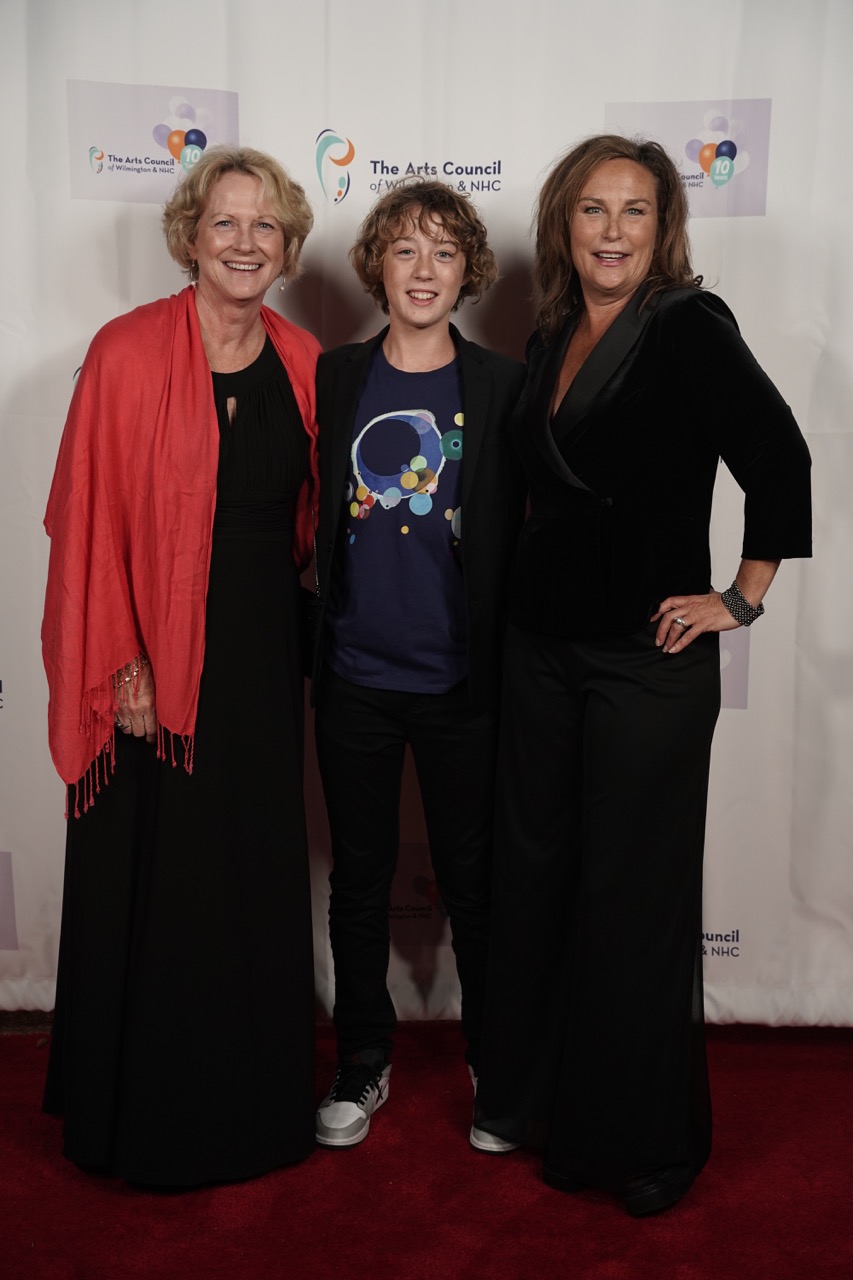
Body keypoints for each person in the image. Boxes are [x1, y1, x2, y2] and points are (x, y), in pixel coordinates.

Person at [471, 135, 812, 1214]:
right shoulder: (550, 330)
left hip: (645, 661)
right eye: (592, 209)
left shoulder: (687, 326)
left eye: (634, 211)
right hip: (537, 651)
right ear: (562, 225)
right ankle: (531, 1097)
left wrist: (738, 598)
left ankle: (641, 1141)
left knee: (630, 898)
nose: (611, 230)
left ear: (662, 229)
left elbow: (780, 458)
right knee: (536, 877)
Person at [41, 146, 321, 1186]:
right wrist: (125, 663)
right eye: (225, 223)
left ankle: (250, 1109)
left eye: (265, 226)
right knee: (160, 875)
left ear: (287, 246)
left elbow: (313, 523)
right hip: (149, 661)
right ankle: (144, 1118)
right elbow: (89, 521)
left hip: (259, 656)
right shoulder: (124, 352)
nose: (245, 243)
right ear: (190, 238)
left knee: (245, 871)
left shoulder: (304, 359)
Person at [311, 179, 525, 1147]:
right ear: (378, 267)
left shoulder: (500, 385)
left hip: (462, 683)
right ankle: (363, 1057)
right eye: (405, 249)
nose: (424, 269)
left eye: (443, 251)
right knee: (357, 883)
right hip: (354, 677)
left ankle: (496, 1060)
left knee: (475, 884)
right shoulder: (335, 376)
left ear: (467, 270)